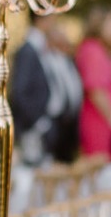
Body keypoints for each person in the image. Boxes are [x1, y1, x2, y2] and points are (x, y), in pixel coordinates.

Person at [10, 14, 83, 164]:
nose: (54, 23)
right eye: (51, 18)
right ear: (40, 20)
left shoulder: (45, 48)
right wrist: (39, 122)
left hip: (55, 124)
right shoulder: (29, 51)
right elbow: (19, 92)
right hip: (38, 128)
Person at [75, 7, 111, 161]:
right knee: (103, 171)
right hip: (100, 123)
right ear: (99, 25)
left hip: (109, 123)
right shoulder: (92, 50)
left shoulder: (102, 50)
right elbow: (97, 92)